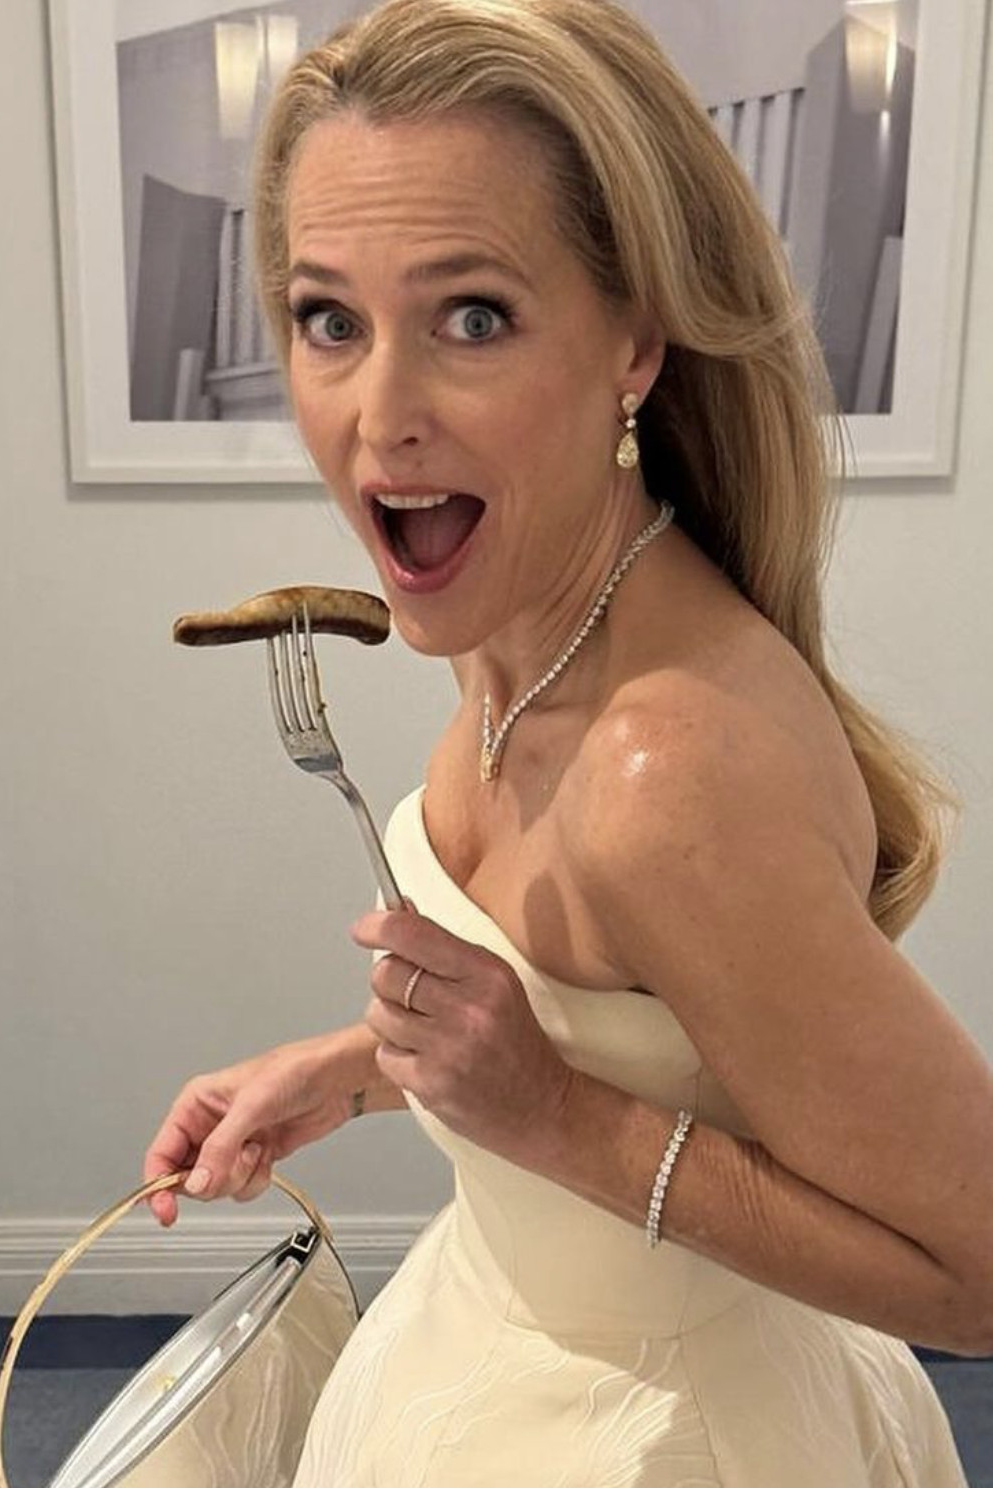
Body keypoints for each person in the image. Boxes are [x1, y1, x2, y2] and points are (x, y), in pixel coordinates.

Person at [144, 0, 993, 1480]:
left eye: (473, 317)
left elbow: (978, 1276)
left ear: (633, 347)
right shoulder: (529, 624)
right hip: (483, 1342)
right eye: (330, 320)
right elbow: (627, 1024)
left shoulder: (669, 772)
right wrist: (355, 1067)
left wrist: (551, 1116)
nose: (379, 417)